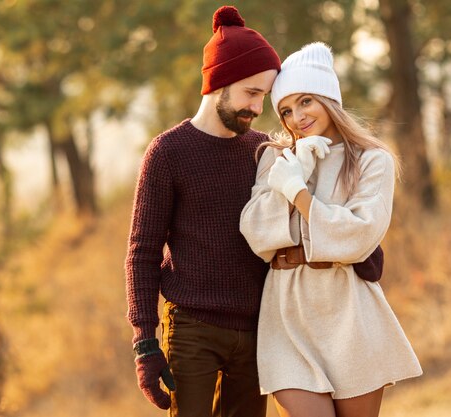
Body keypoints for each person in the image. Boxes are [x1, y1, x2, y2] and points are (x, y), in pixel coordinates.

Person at [126, 6, 385, 417]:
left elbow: (300, 217)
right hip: (193, 327)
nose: (257, 107)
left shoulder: (263, 149)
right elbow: (142, 252)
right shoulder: (168, 152)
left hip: (259, 326)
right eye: (251, 93)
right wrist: (145, 341)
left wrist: (360, 246)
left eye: (265, 97)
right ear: (219, 83)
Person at [240, 43, 423, 417]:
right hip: (287, 312)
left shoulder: (373, 160)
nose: (297, 118)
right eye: (286, 110)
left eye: (306, 101)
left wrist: (298, 192)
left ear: (328, 97)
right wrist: (296, 171)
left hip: (349, 313)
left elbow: (358, 236)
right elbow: (255, 230)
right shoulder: (277, 158)